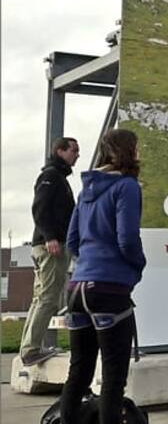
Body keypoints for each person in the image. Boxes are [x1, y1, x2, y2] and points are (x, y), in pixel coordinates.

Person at [58, 129, 146, 424]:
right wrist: (136, 266)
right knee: (113, 377)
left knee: (79, 371)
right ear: (128, 151)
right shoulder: (127, 187)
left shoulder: (87, 189)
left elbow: (72, 240)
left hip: (77, 288)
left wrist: (89, 263)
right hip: (110, 289)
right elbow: (127, 239)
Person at [19, 137, 80, 366]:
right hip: (50, 246)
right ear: (60, 151)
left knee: (40, 298)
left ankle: (29, 347)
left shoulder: (57, 177)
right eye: (74, 150)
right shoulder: (51, 176)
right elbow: (39, 208)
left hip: (47, 244)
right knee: (48, 298)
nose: (77, 155)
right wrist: (51, 237)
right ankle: (31, 350)